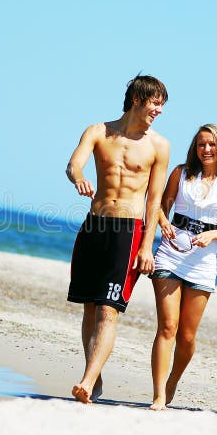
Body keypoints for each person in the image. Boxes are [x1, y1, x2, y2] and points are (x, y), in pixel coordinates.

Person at [65, 74, 170, 404]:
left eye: (162, 105)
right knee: (89, 307)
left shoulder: (159, 146)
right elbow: (73, 164)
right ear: (138, 99)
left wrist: (147, 246)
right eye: (156, 103)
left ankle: (86, 380)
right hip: (95, 225)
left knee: (109, 310)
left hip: (128, 231)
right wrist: (79, 177)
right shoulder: (98, 131)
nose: (159, 111)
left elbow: (155, 201)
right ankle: (92, 377)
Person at [149, 124, 217, 410]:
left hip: (203, 262)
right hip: (170, 253)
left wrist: (212, 235)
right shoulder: (180, 173)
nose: (206, 149)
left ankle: (173, 380)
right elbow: (159, 207)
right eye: (201, 144)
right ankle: (158, 395)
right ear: (195, 147)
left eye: (212, 145)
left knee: (187, 336)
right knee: (167, 326)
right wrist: (164, 224)